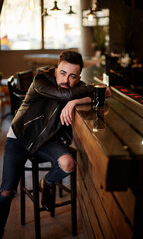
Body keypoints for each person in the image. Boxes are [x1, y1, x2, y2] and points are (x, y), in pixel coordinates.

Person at [0, 50, 111, 238]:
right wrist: (78, 96)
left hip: (47, 140)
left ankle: (47, 182)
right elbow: (68, 93)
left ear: (79, 77)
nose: (66, 80)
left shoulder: (75, 88)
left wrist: (76, 100)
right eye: (62, 73)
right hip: (20, 137)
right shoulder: (41, 80)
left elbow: (101, 94)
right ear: (56, 70)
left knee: (68, 164)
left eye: (72, 76)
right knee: (7, 192)